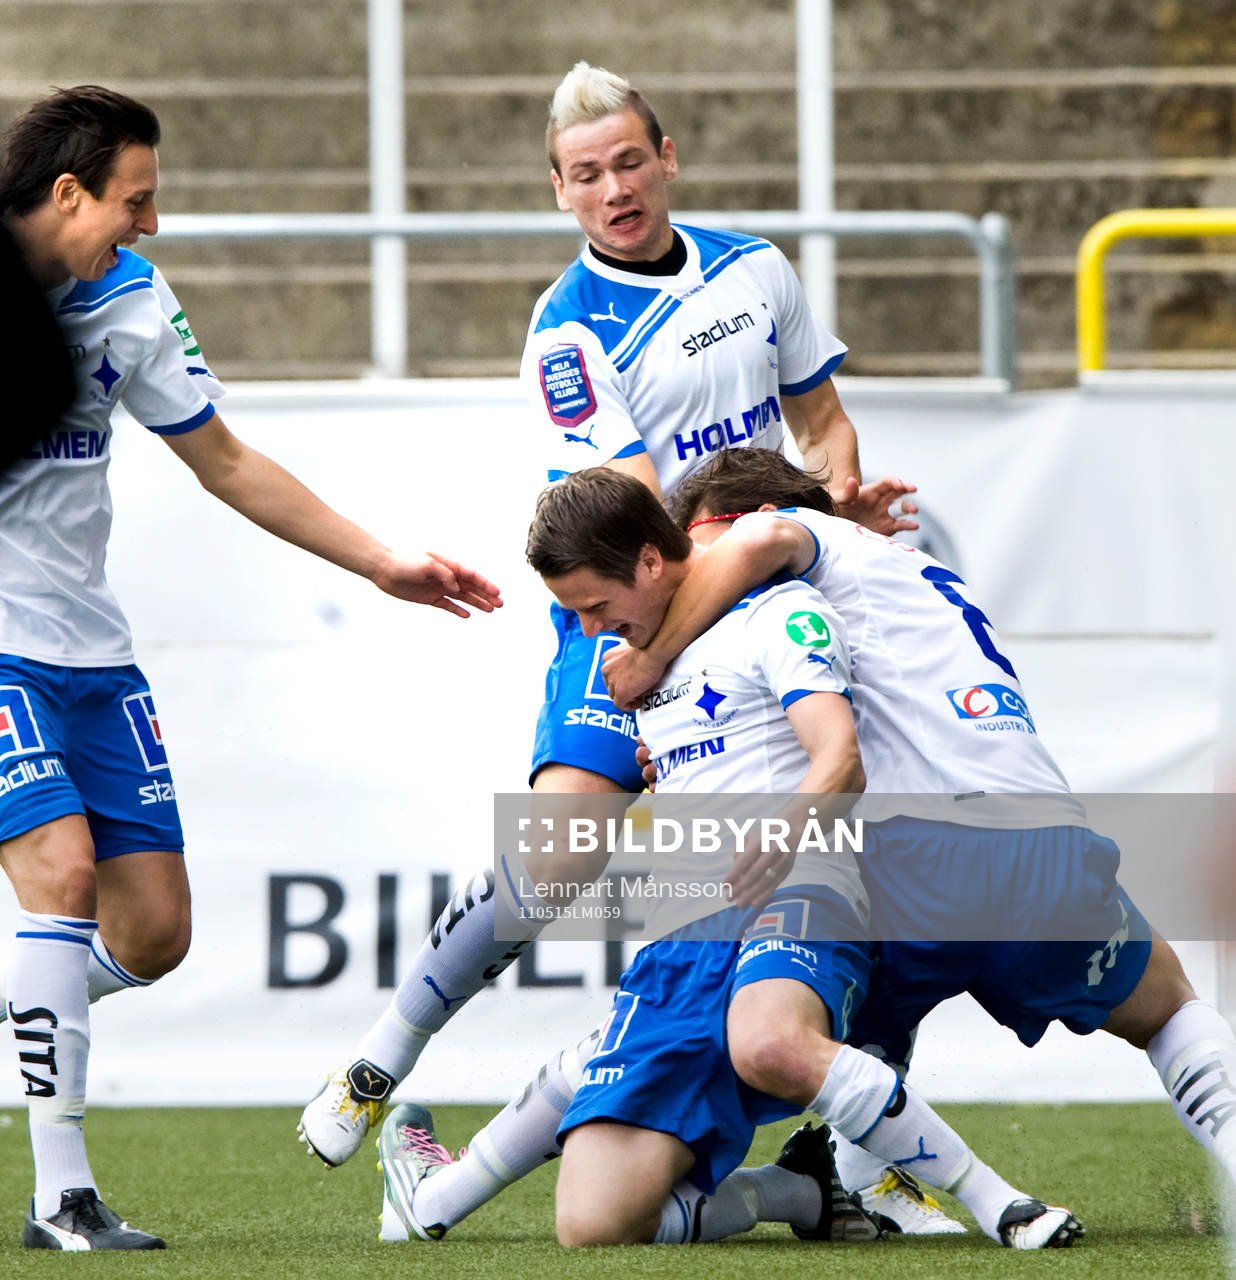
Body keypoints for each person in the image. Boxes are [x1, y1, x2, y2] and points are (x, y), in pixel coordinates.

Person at [297, 65, 932, 1239]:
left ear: (667, 156)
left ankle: (850, 1154)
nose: (614, 189)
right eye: (586, 174)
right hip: (636, 606)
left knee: (860, 850)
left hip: (753, 595)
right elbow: (644, 522)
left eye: (630, 161)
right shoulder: (567, 330)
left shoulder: (756, 268)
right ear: (559, 189)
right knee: (555, 859)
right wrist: (697, 621)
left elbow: (822, 416)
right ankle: (380, 1060)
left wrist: (834, 497)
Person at [0, 84, 502, 1252]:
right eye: (137, 200)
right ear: (68, 192)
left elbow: (224, 459)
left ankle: (36, 1000)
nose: (151, 222)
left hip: (92, 652)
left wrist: (380, 559)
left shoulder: (133, 295)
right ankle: (61, 1197)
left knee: (152, 930)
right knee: (60, 875)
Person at [376, 469, 1081, 1250]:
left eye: (595, 606)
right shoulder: (637, 661)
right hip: (686, 930)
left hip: (800, 888)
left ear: (651, 560)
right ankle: (799, 1190)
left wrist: (778, 836)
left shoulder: (778, 612)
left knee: (769, 1040)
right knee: (592, 1225)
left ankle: (999, 1203)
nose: (591, 628)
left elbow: (841, 759)